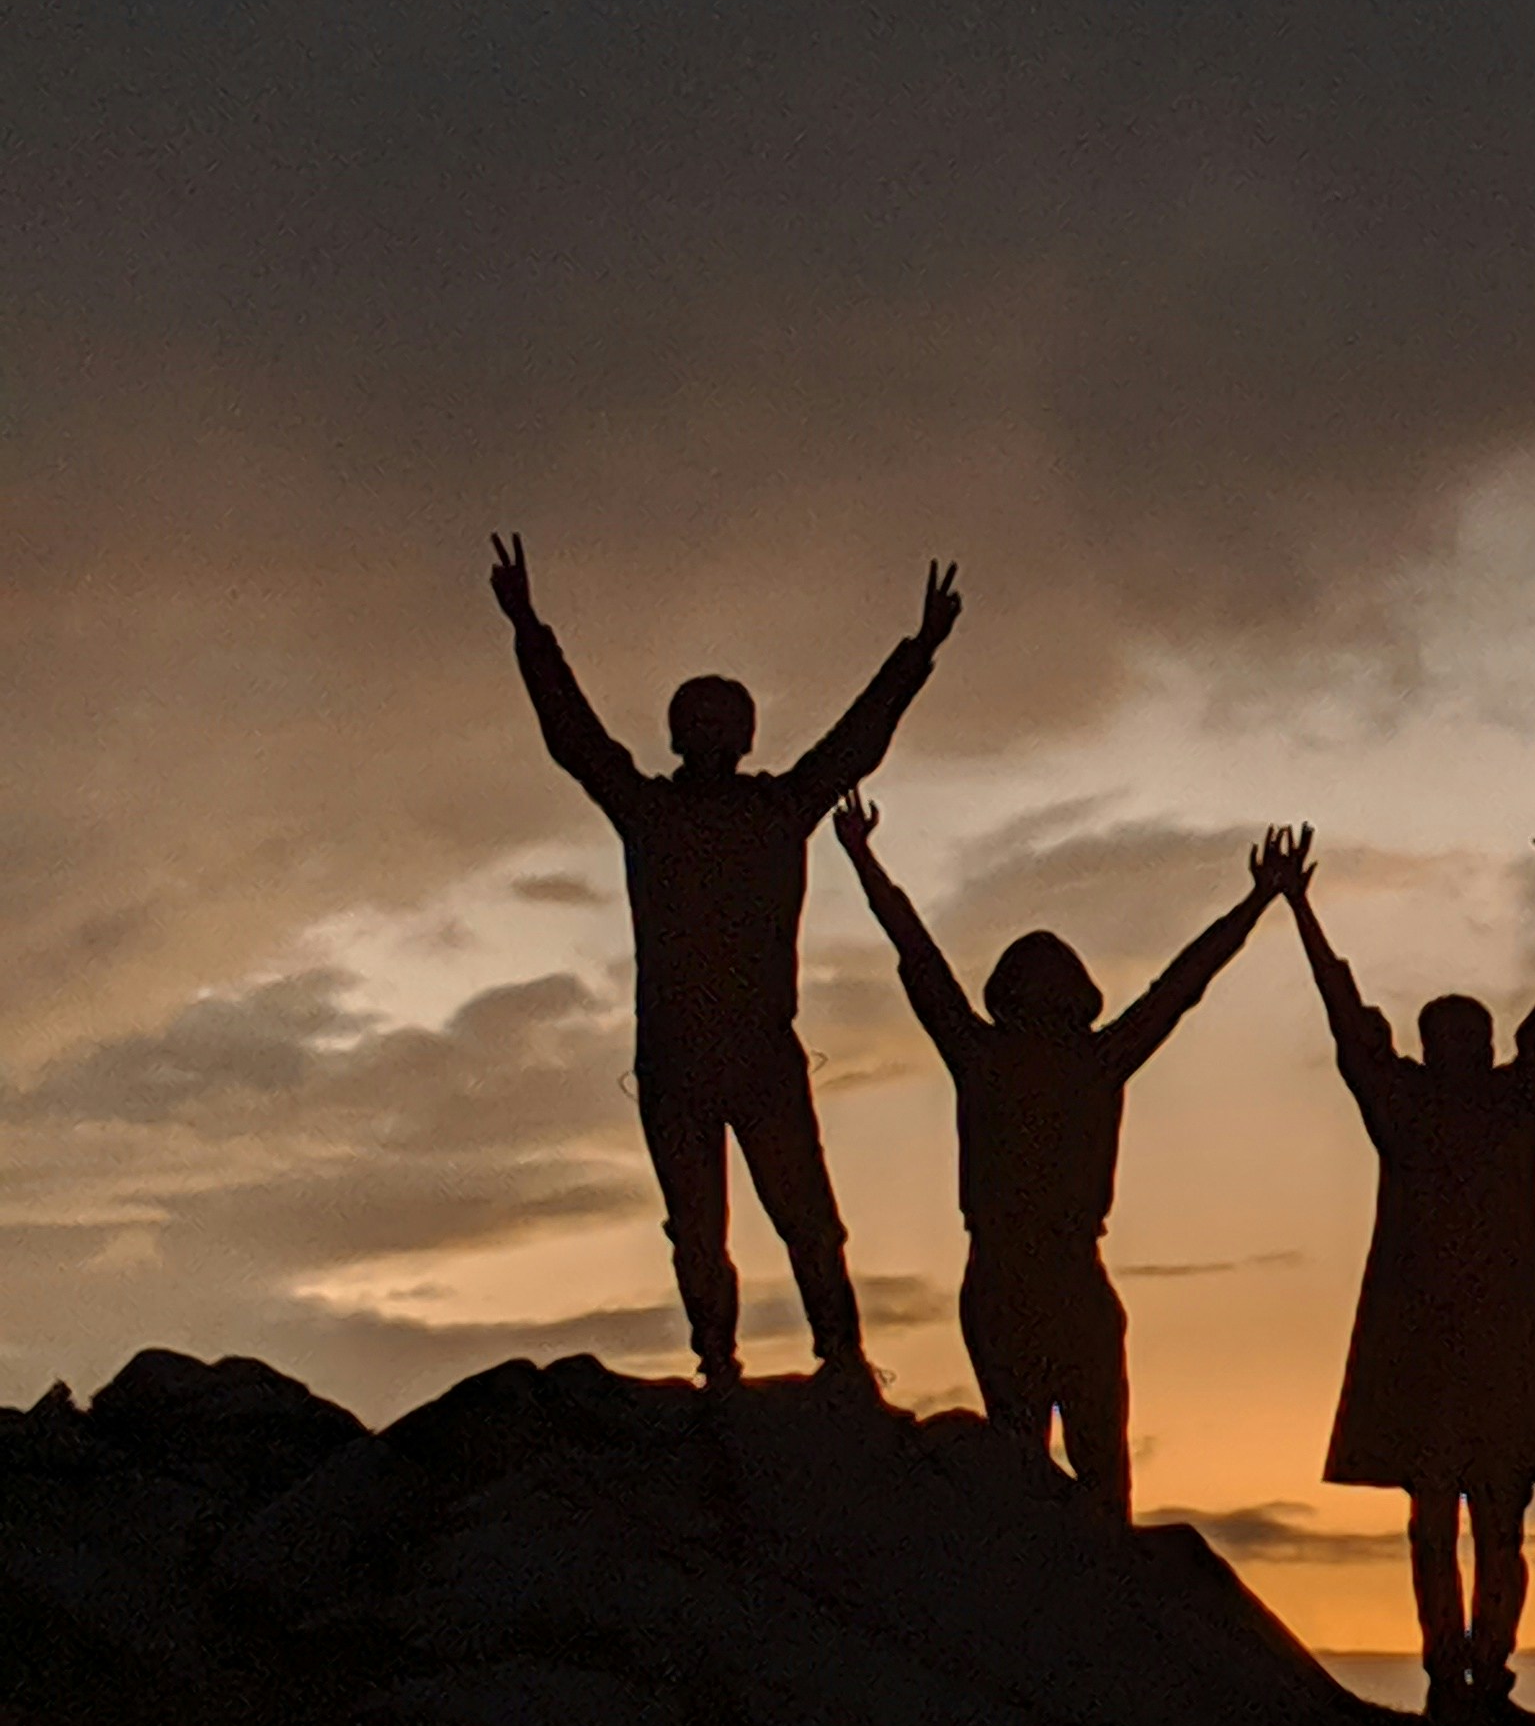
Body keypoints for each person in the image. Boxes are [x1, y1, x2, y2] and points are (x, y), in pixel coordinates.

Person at [488, 530, 960, 1392]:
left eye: (720, 721)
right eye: (696, 721)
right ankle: (721, 1362)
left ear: (741, 735)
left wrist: (918, 654)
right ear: (678, 735)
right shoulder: (657, 811)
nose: (708, 732)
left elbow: (856, 744)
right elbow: (574, 737)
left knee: (806, 1219)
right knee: (699, 1226)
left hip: (752, 1056)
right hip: (679, 1058)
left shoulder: (773, 808)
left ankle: (839, 1356)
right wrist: (529, 630)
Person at [831, 791, 1308, 1515]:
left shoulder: (1006, 1055)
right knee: (1068, 1479)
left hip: (1038, 1277)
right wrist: (1258, 900)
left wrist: (1258, 902)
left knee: (1059, 1474)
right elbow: (1180, 985)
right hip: (1034, 1278)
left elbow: (920, 955)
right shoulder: (1059, 1058)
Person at [1288, 841, 1535, 1714]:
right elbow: (1347, 1021)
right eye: (1449, 1036)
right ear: (1433, 1048)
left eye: (1468, 1037)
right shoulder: (1429, 1106)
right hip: (1440, 1344)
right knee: (1446, 1522)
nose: (1460, 1047)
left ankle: (1478, 1673)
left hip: (1485, 1343)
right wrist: (1301, 917)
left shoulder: (1494, 1103)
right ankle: (1456, 1674)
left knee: (1485, 1523)